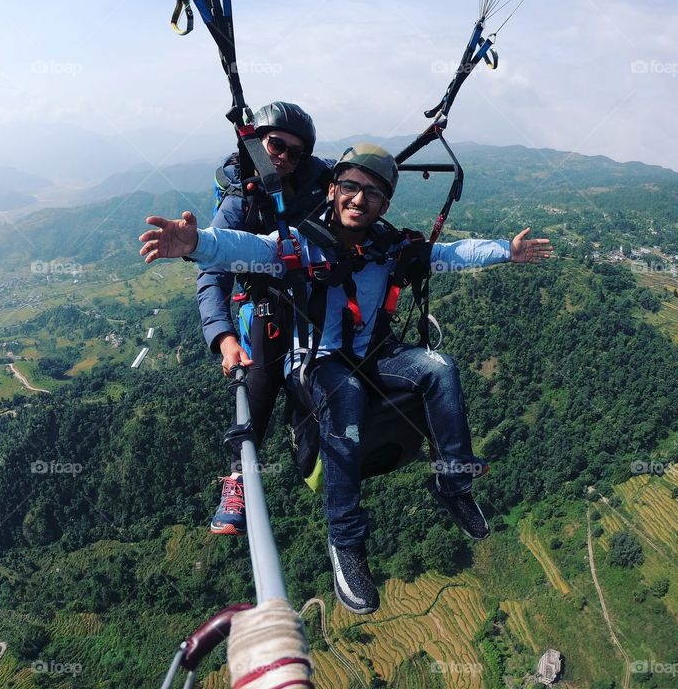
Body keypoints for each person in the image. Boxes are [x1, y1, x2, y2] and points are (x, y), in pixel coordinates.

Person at [141, 143, 553, 614]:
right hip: (319, 361)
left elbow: (450, 254)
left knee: (440, 369)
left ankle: (453, 484)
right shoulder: (298, 244)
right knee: (348, 395)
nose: (359, 200)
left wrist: (507, 251)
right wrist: (195, 244)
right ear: (334, 190)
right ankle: (346, 542)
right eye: (351, 188)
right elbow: (245, 248)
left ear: (385, 204)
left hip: (374, 353)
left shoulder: (389, 246)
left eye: (373, 194)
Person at [198, 101, 334, 536]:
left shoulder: (314, 182)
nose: (284, 158)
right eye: (276, 146)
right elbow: (212, 271)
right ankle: (238, 477)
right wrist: (222, 338)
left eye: (296, 153)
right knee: (263, 376)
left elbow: (353, 168)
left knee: (326, 372)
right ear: (258, 143)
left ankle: (315, 448)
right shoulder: (241, 202)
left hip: (312, 303)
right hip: (264, 306)